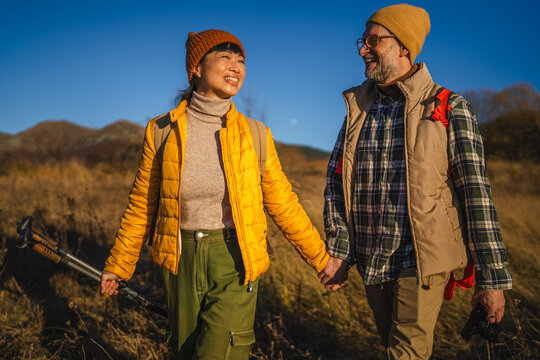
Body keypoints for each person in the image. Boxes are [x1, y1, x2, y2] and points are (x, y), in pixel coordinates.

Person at [100, 29, 333, 359]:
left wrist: (321, 259)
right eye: (225, 57)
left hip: (234, 258)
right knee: (186, 351)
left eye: (241, 60)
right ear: (196, 68)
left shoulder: (255, 134)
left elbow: (283, 202)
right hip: (179, 258)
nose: (236, 66)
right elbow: (142, 204)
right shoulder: (161, 130)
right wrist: (119, 264)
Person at [318, 4, 512, 359]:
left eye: (373, 41)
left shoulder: (448, 107)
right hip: (371, 261)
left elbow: (476, 195)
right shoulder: (357, 110)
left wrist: (492, 278)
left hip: (420, 262)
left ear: (403, 47)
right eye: (363, 41)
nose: (363, 49)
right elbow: (335, 182)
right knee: (391, 346)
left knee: (405, 354)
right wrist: (341, 248)